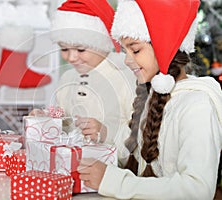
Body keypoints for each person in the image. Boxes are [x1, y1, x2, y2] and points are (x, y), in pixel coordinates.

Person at [77, 0, 222, 199]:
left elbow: (197, 189)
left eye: (135, 50)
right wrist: (104, 133)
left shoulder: (197, 106)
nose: (127, 60)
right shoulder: (154, 96)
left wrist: (114, 181)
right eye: (125, 51)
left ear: (165, 46)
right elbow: (139, 154)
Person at [31, 0, 136, 145]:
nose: (71, 58)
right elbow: (65, 125)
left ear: (102, 44)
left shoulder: (127, 77)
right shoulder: (67, 78)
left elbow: (141, 134)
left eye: (80, 50)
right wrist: (47, 121)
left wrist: (106, 133)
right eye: (64, 49)